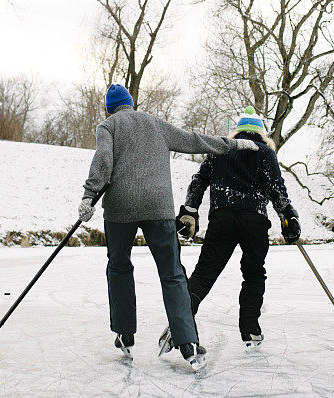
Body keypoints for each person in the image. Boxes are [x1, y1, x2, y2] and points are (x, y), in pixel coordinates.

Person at [78, 84, 259, 370]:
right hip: (157, 206)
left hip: (120, 208)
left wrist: (89, 196)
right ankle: (188, 342)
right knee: (172, 272)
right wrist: (233, 144)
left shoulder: (108, 126)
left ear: (110, 108)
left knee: (119, 267)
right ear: (131, 103)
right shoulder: (154, 123)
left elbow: (103, 163)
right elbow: (194, 141)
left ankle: (125, 334)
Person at [158, 106, 301, 354]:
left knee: (204, 273)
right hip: (254, 220)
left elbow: (199, 179)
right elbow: (276, 187)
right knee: (254, 274)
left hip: (223, 218)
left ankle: (179, 323)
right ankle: (250, 329)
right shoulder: (266, 153)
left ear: (239, 132)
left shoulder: (221, 150)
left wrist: (190, 210)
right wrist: (287, 215)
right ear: (260, 133)